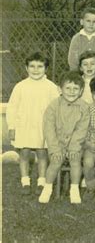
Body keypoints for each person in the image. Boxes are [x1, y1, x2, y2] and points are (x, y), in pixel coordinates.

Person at [7, 52, 59, 196]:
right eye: (32, 66)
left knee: (42, 153)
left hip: (42, 126)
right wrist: (12, 127)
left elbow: (56, 107)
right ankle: (25, 181)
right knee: (24, 153)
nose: (36, 70)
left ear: (46, 69)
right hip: (24, 125)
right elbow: (12, 107)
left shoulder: (51, 87)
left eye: (40, 67)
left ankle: (41, 181)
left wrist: (54, 127)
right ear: (26, 68)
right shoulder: (20, 86)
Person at [38, 71, 90, 204]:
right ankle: (47, 187)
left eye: (75, 89)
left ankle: (74, 189)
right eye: (68, 88)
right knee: (55, 160)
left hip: (75, 143)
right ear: (60, 89)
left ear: (81, 91)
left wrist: (73, 147)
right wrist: (55, 149)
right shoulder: (53, 106)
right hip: (58, 142)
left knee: (75, 160)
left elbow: (82, 130)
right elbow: (49, 129)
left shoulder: (84, 107)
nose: (72, 92)